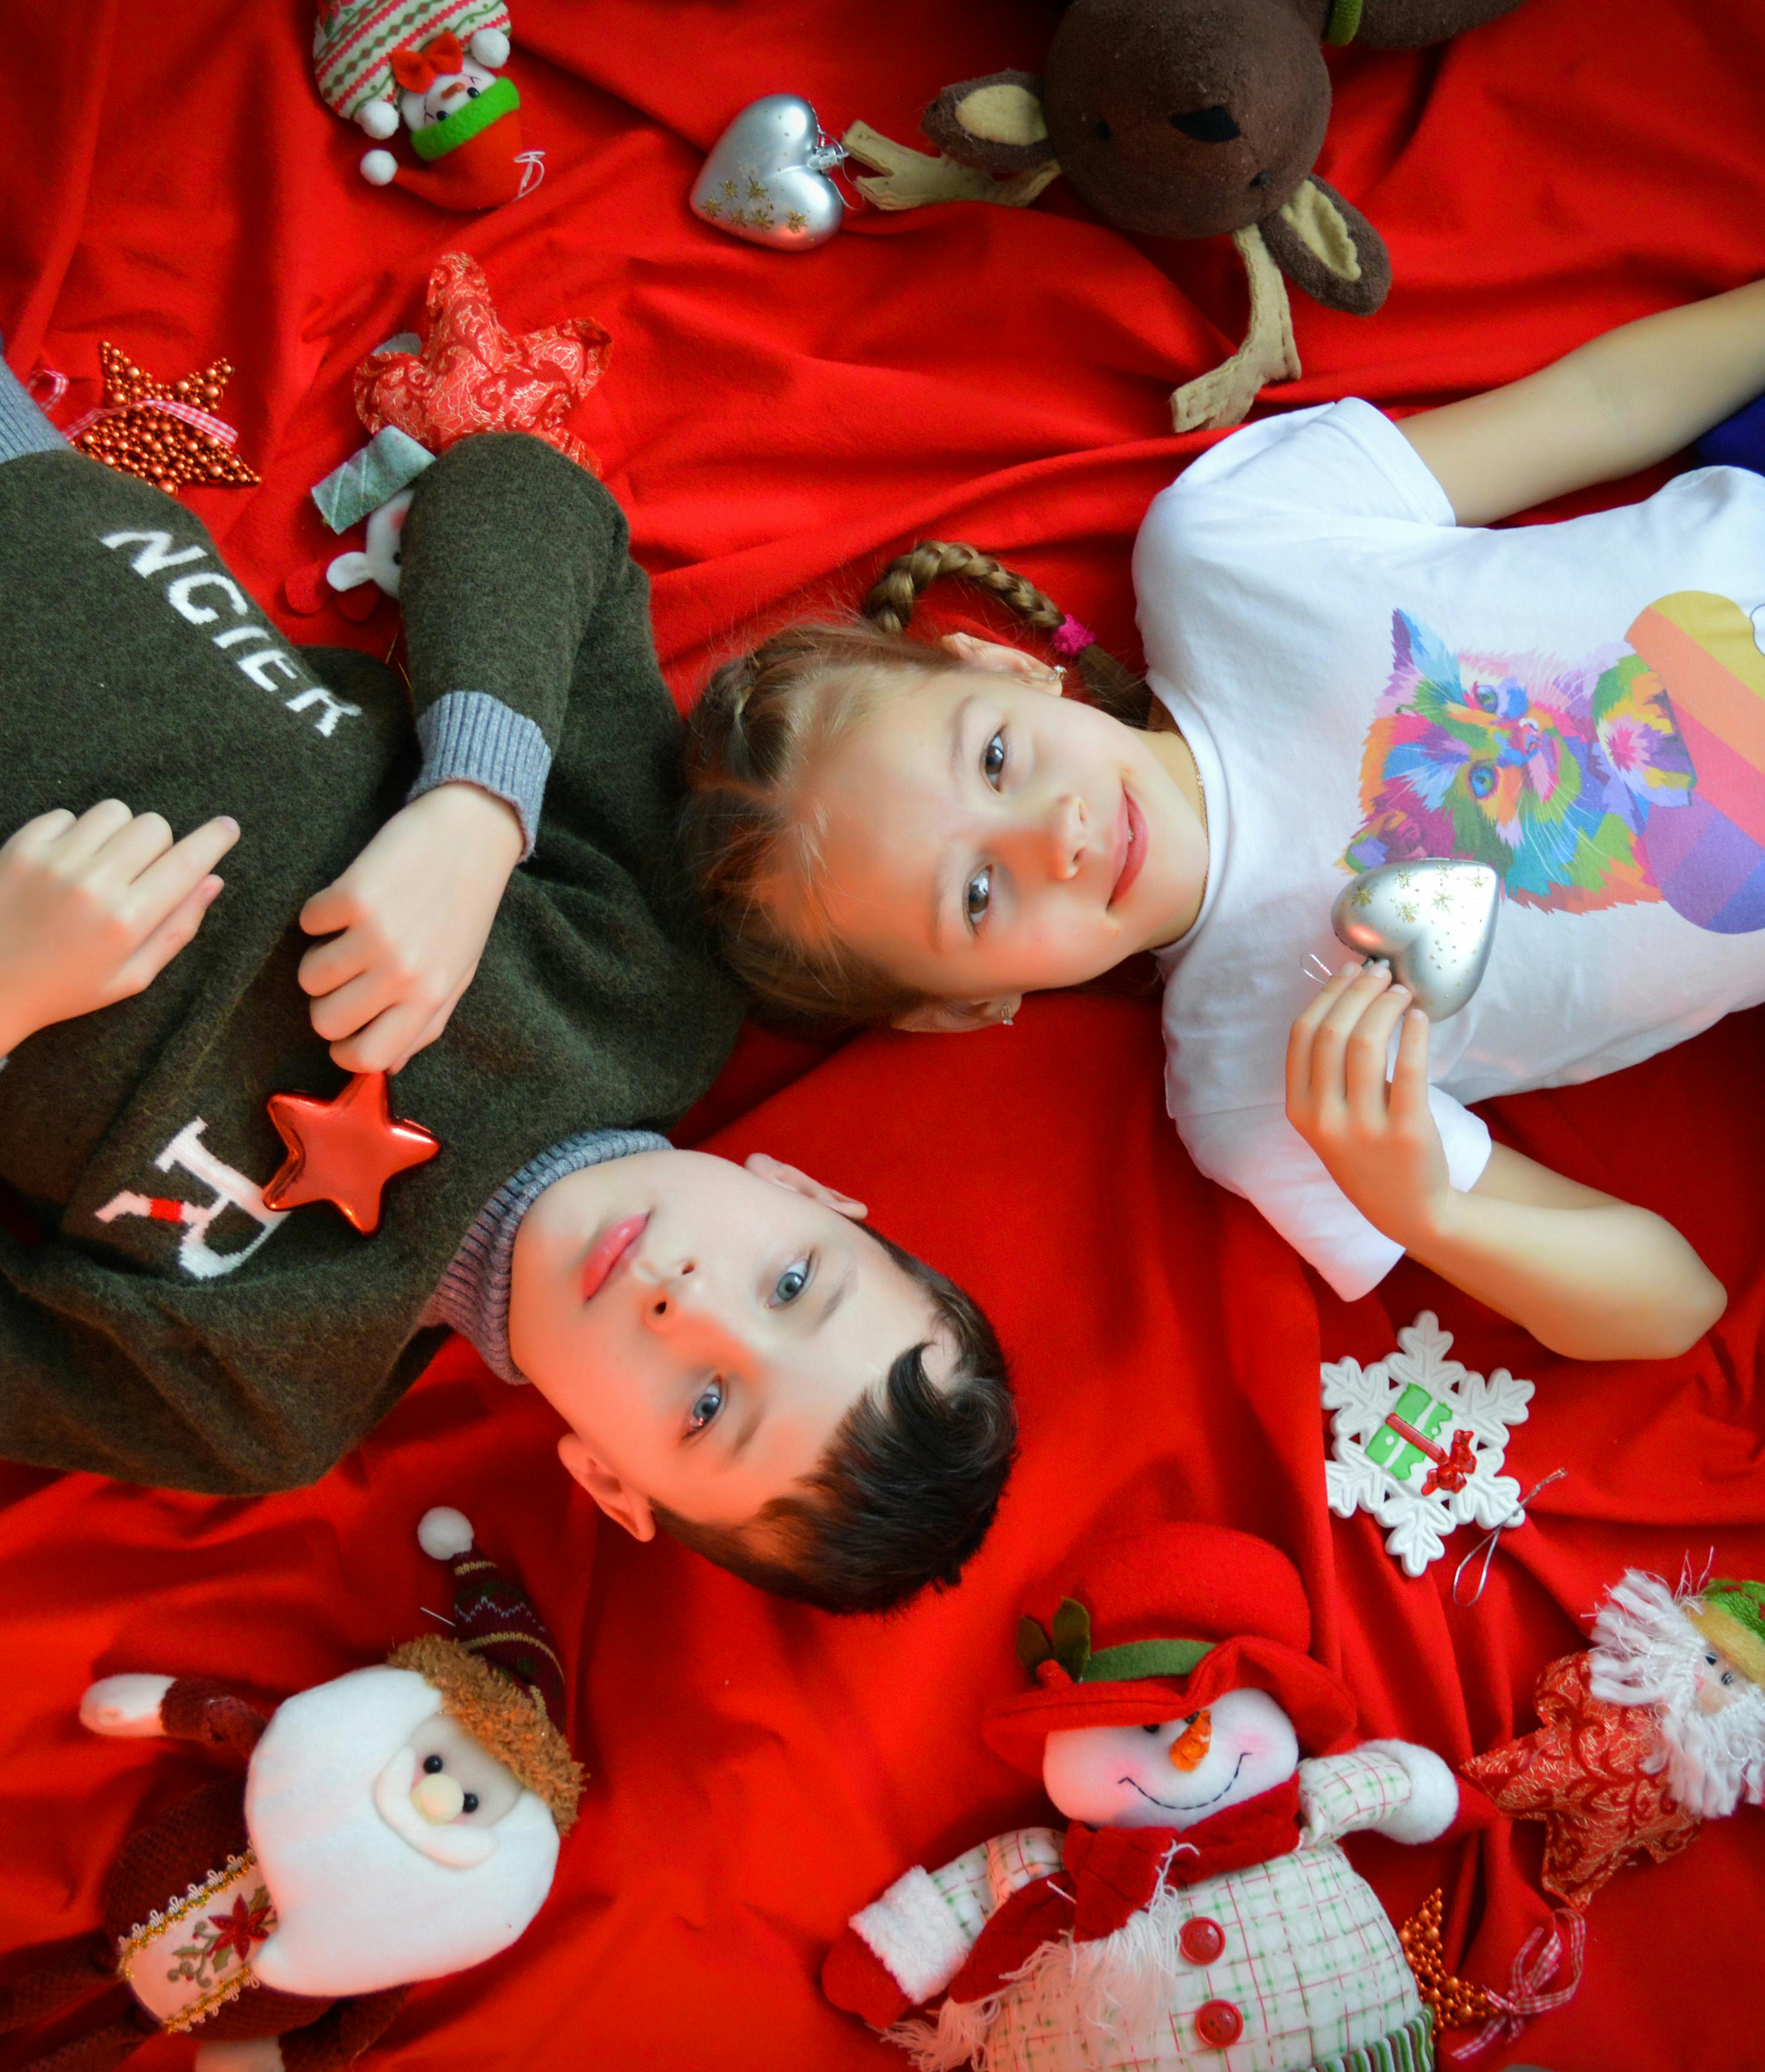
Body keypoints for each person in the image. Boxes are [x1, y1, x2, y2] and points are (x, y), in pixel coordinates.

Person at [0, 363, 1014, 1614]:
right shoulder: (649, 978)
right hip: (40, 530)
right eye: (793, 1282)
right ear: (806, 1191)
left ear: (608, 1485)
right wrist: (476, 808)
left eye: (706, 1408)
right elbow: (522, 496)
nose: (685, 1301)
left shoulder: (260, 1399)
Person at [683, 281, 1765, 1363]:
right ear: (965, 1007)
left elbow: (1607, 404)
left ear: (1000, 662)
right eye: (974, 895)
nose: (1052, 837)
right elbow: (1673, 1307)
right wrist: (1427, 1207)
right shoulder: (1258, 1098)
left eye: (995, 757)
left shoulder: (1224, 547)